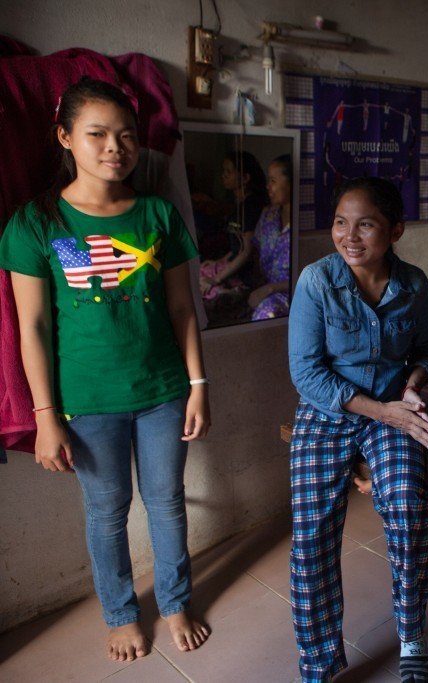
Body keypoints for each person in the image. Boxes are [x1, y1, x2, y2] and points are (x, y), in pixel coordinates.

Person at [0, 77, 211, 661]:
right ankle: (120, 612)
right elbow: (32, 330)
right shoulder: (35, 224)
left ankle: (174, 602)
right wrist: (44, 415)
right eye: (97, 134)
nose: (115, 146)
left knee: (167, 501)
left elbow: (180, 309)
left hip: (165, 390)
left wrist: (198, 385)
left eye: (126, 135)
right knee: (106, 509)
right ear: (65, 136)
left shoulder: (157, 215)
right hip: (87, 399)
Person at [287, 176, 428, 683]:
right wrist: (383, 411)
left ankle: (411, 635)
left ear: (395, 230)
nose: (349, 236)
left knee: (407, 504)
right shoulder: (316, 281)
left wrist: (414, 385)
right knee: (312, 536)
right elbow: (307, 373)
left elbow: (424, 351)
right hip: (327, 411)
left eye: (366, 224)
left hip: (394, 409)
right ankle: (319, 662)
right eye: (340, 222)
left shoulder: (413, 284)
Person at [198, 151, 267, 296]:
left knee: (205, 288)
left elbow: (246, 251)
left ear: (245, 178)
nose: (224, 175)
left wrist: (216, 279)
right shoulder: (239, 205)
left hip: (243, 275)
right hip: (233, 265)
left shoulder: (251, 207)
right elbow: (238, 245)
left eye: (229, 172)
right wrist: (219, 261)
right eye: (224, 171)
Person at [248, 154, 292, 320]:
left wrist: (271, 289)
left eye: (273, 181)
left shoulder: (303, 225)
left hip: (288, 294)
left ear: (290, 184)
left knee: (266, 313)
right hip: (263, 290)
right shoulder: (268, 216)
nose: (268, 186)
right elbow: (255, 251)